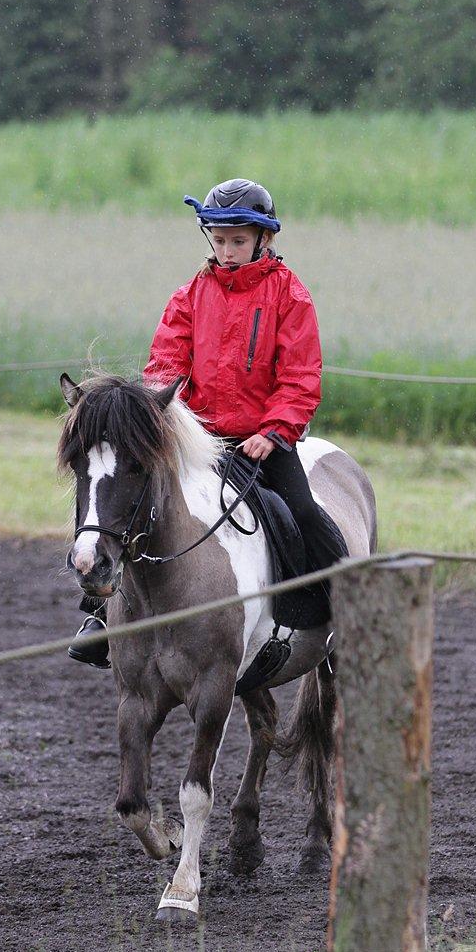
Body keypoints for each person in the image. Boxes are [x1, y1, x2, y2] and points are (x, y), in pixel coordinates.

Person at [69, 177, 344, 666]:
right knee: (131, 505)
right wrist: (163, 414)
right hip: (197, 437)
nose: (227, 251)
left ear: (265, 239)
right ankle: (98, 611)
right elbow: (166, 363)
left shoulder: (291, 296)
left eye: (238, 241)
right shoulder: (189, 296)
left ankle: (347, 614)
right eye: (218, 240)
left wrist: (275, 431)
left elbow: (301, 375)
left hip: (262, 441)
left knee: (303, 510)